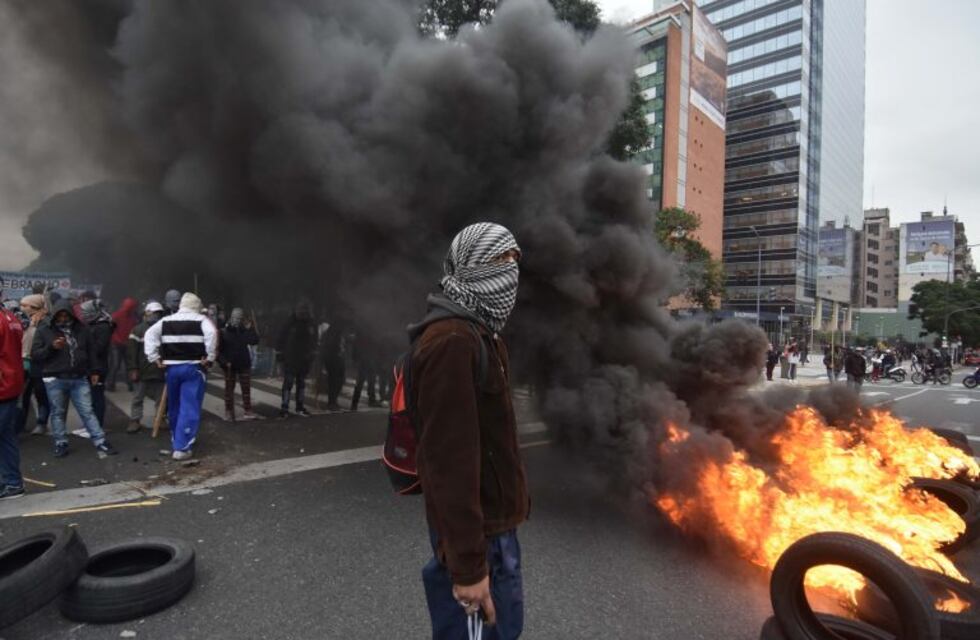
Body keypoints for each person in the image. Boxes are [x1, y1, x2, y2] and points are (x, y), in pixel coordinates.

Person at [411, 222, 528, 639]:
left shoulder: (480, 331)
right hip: (479, 541)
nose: (510, 272)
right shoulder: (452, 341)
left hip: (492, 531)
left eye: (514, 261)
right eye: (499, 261)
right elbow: (448, 465)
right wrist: (468, 568)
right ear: (471, 265)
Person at [32, 300, 118, 458]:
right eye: (60, 315)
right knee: (58, 412)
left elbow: (91, 351)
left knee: (87, 411)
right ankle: (60, 442)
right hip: (54, 378)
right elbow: (36, 354)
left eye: (66, 315)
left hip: (79, 377)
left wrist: (94, 371)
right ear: (55, 315)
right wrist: (52, 347)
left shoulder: (82, 329)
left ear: (71, 314)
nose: (63, 318)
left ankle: (100, 441)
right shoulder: (45, 330)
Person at [144, 293, 217, 460]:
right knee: (189, 406)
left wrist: (154, 357)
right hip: (193, 368)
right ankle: (182, 448)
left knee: (174, 405)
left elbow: (149, 334)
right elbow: (212, 334)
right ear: (196, 306)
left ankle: (176, 438)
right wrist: (210, 357)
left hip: (172, 369)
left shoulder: (166, 320)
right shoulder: (202, 320)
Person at [0, 277, 26, 500]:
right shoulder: (10, 317)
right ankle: (11, 483)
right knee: (6, 437)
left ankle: (11, 482)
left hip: (2, 385)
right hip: (11, 383)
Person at [126, 302, 166, 433]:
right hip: (142, 370)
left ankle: (161, 419)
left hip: (160, 369)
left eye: (159, 314)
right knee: (138, 397)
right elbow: (131, 352)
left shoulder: (164, 330)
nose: (157, 316)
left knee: (161, 398)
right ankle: (135, 420)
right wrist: (133, 369)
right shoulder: (137, 330)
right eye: (155, 313)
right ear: (147, 313)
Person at [17, 294, 50, 435]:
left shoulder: (46, 323)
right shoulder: (20, 320)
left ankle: (42, 423)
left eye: (25, 305)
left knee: (41, 395)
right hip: (21, 364)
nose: (21, 308)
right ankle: (19, 426)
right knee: (22, 396)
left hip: (39, 365)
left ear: (34, 307)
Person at [219, 308, 260, 422]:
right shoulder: (224, 331)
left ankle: (248, 410)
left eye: (239, 318)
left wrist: (251, 328)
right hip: (229, 365)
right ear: (231, 317)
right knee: (229, 389)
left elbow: (255, 340)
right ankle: (228, 411)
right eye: (235, 317)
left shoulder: (244, 331)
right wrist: (224, 362)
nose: (237, 320)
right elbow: (219, 350)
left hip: (243, 363)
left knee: (246, 388)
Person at [276, 301, 316, 418]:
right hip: (291, 359)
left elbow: (314, 341)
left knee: (301, 384)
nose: (302, 312)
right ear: (296, 310)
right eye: (300, 310)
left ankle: (300, 406)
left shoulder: (311, 324)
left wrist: (313, 354)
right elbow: (281, 339)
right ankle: (284, 407)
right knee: (288, 383)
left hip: (304, 359)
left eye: (305, 310)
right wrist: (279, 356)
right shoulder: (289, 323)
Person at [80, 299, 114, 429]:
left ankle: (97, 425)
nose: (83, 315)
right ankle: (89, 425)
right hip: (90, 366)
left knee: (97, 397)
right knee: (89, 398)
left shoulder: (103, 326)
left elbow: (99, 348)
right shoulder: (93, 325)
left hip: (98, 367)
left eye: (85, 312)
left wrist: (84, 348)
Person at [108, 297, 139, 391]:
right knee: (120, 364)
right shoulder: (117, 316)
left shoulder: (130, 317)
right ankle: (113, 384)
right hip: (118, 343)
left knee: (120, 365)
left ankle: (114, 385)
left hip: (123, 343)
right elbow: (111, 330)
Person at [350, 329, 381, 411]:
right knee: (366, 381)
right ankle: (367, 401)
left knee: (364, 381)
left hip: (365, 359)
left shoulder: (362, 332)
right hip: (367, 359)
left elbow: (356, 346)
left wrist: (355, 358)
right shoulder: (371, 333)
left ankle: (355, 403)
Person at [320, 318, 348, 412]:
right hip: (333, 359)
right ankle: (332, 402)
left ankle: (333, 401)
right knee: (334, 381)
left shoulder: (339, 333)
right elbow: (329, 346)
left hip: (338, 359)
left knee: (338, 380)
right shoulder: (333, 333)